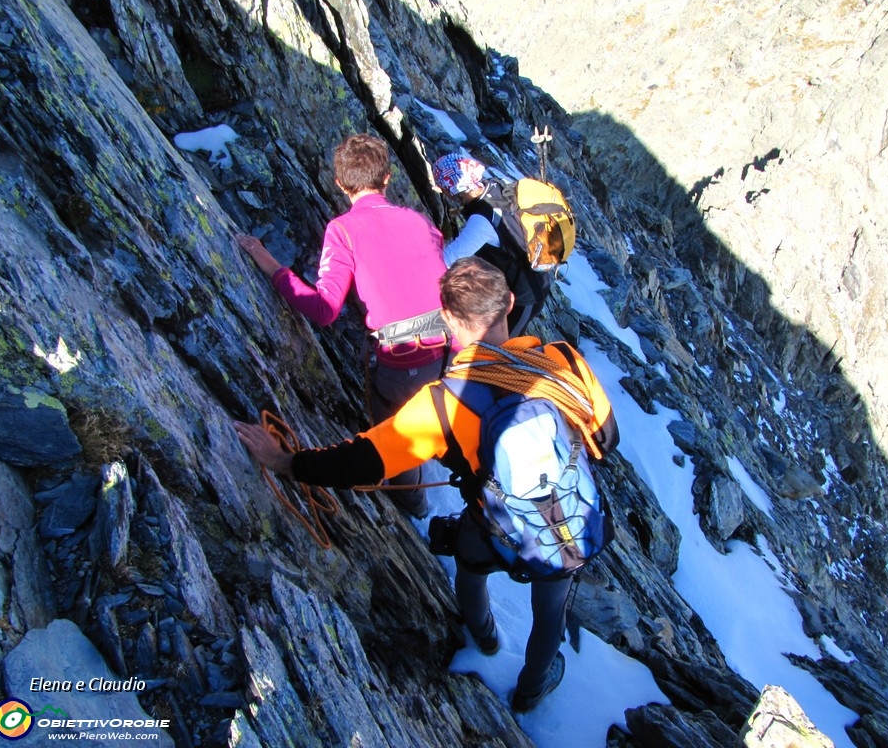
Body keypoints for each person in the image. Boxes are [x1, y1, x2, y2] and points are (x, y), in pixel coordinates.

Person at [235, 257, 618, 713]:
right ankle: (532, 691)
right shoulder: (563, 360)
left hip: (491, 525)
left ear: (451, 322)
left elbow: (359, 461)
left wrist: (283, 461)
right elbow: (606, 438)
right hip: (570, 520)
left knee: (472, 570)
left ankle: (485, 637)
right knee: (549, 611)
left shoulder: (443, 406)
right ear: (511, 303)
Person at [239, 134, 447, 518]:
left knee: (397, 438)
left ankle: (416, 508)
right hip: (453, 350)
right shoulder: (418, 220)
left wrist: (268, 263)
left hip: (403, 363)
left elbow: (324, 309)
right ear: (387, 179)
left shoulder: (343, 230)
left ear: (339, 184)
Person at [432, 153, 553, 337]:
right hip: (531, 282)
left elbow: (446, 261)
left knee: (506, 349)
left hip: (525, 293)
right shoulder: (495, 185)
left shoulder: (482, 220)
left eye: (443, 188)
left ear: (453, 190)